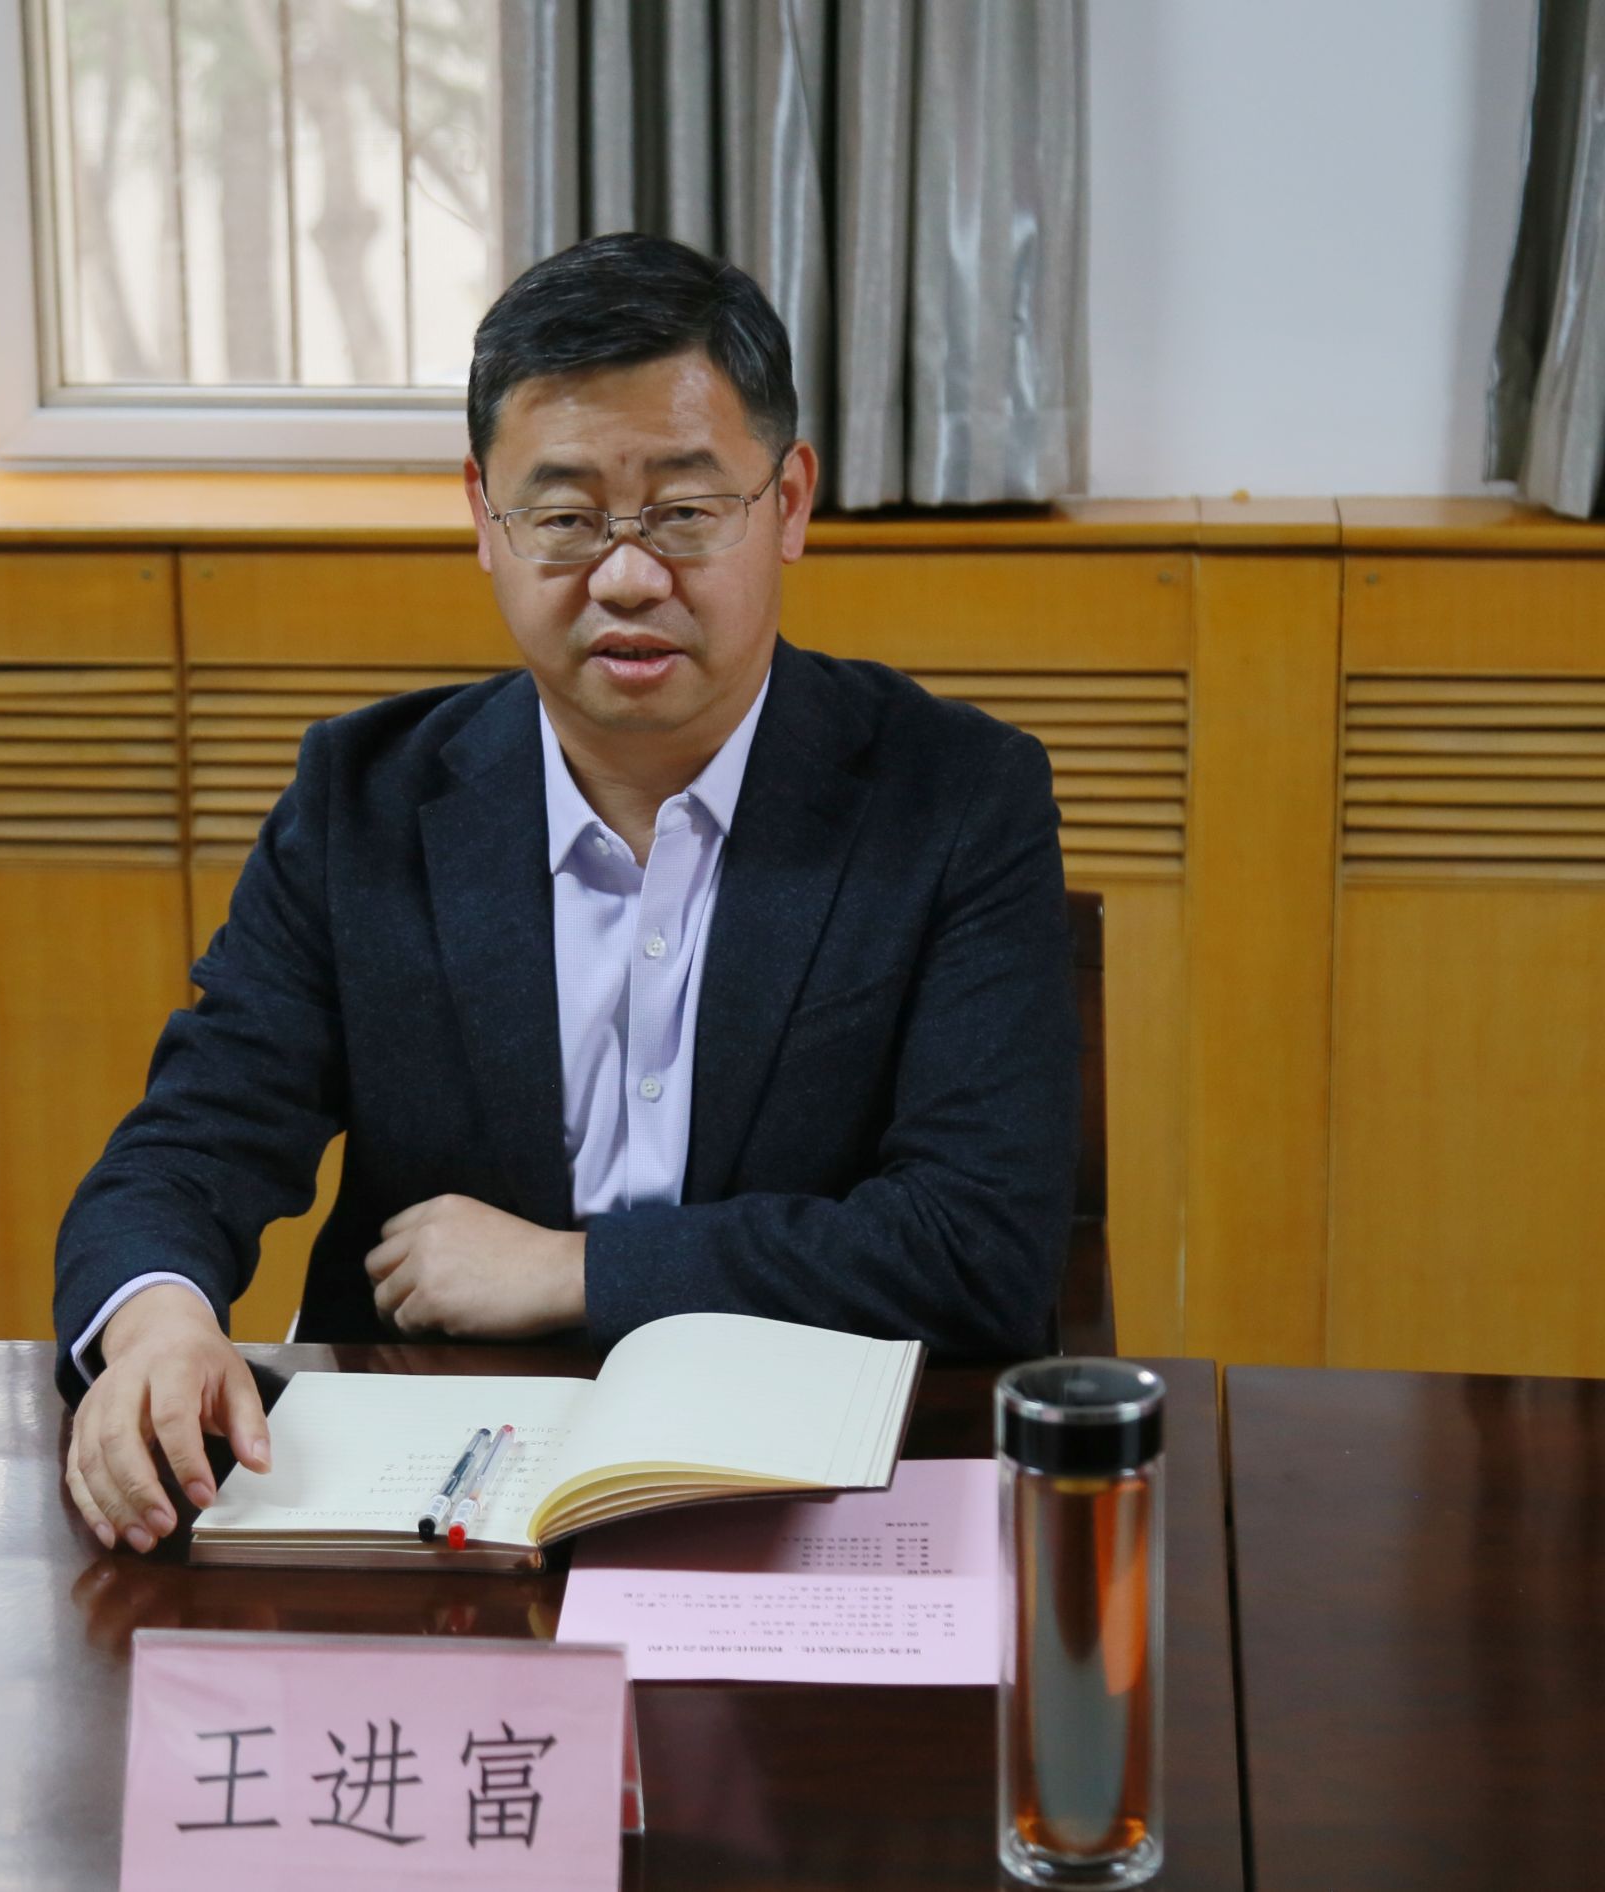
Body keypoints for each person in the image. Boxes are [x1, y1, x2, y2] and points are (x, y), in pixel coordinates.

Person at [54, 232, 1078, 1554]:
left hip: (796, 1493)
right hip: (433, 1513)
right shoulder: (365, 801)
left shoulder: (956, 798)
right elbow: (191, 1144)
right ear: (484, 518)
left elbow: (978, 1242)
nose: (629, 575)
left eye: (685, 512)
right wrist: (158, 1323)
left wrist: (573, 1268)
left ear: (791, 503)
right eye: (567, 517)